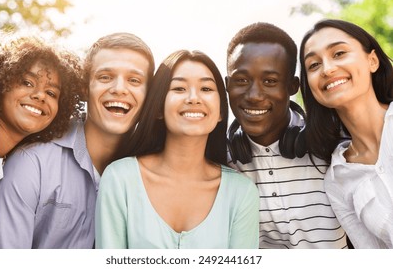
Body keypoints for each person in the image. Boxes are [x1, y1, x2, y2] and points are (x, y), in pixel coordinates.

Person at [0, 32, 155, 248]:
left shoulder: (152, 174)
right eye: (105, 77)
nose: (119, 89)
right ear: (84, 87)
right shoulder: (32, 162)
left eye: (134, 80)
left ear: (150, 95)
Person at [95, 50, 259, 249]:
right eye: (179, 88)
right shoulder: (120, 179)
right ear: (158, 108)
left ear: (220, 112)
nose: (193, 98)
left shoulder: (242, 193)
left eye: (206, 89)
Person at [225, 22, 347, 249]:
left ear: (293, 86)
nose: (253, 95)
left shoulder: (334, 143)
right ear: (227, 85)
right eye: (241, 80)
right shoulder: (221, 162)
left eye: (270, 81)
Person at [0, 33, 83, 248]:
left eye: (52, 93)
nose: (40, 96)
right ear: (0, 81)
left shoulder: (5, 158)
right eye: (27, 82)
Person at [299, 19, 393, 248]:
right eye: (313, 65)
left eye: (339, 53)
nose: (328, 69)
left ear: (372, 61)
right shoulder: (337, 180)